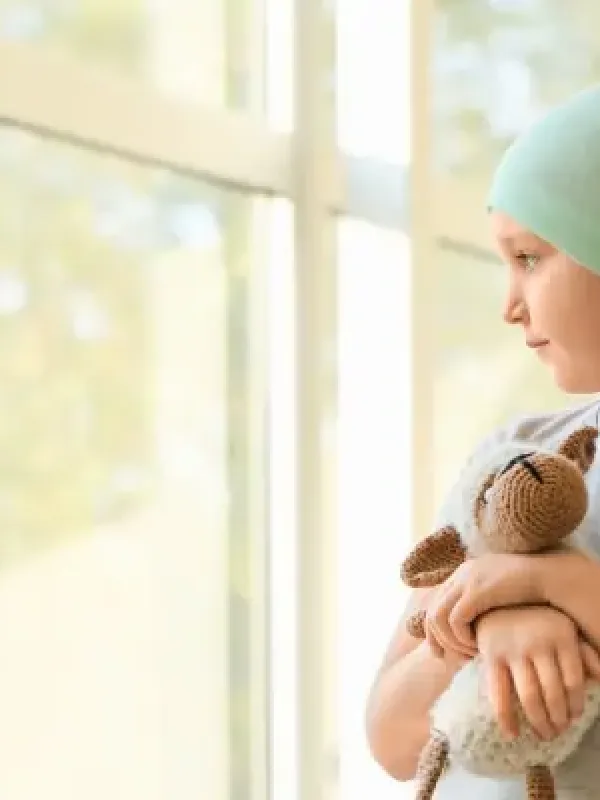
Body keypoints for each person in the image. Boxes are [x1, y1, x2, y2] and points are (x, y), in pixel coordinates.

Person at [365, 85, 600, 799]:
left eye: (529, 257)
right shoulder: (516, 460)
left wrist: (551, 586)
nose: (509, 305)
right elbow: (391, 738)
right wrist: (482, 619)